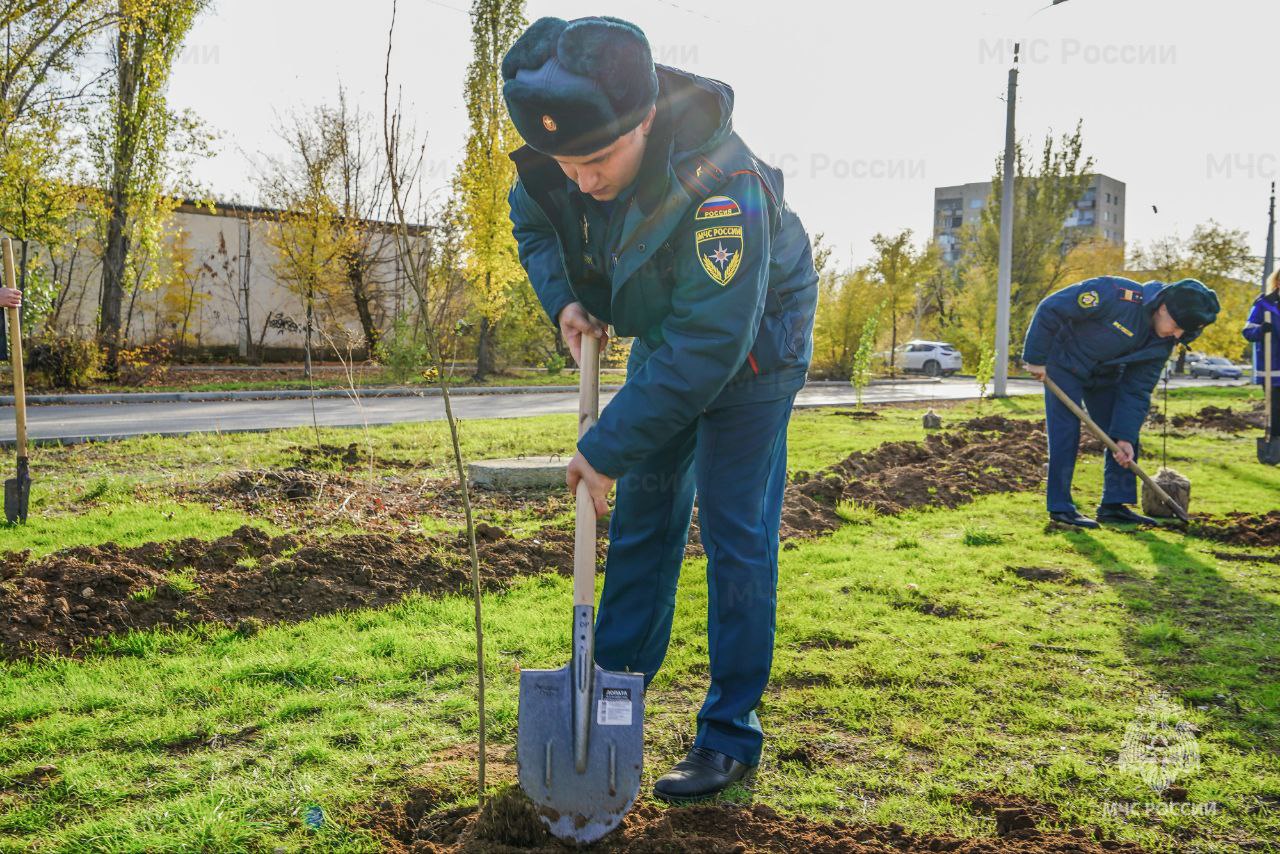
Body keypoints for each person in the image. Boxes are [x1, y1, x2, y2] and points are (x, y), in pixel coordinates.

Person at [502, 15, 818, 801]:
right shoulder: (559, 162)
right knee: (644, 519)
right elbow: (537, 226)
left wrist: (605, 445)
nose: (581, 179)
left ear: (643, 119)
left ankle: (728, 735)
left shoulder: (723, 184)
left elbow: (710, 342)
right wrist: (567, 299)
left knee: (734, 528)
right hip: (672, 341)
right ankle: (610, 701)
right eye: (565, 162)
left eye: (597, 160)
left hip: (752, 345)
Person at [1022, 276, 1219, 528]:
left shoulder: (1163, 343)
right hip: (1064, 365)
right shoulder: (1114, 295)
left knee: (1124, 434)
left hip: (1104, 375)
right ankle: (1061, 508)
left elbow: (1137, 390)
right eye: (1177, 326)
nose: (1178, 334)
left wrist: (1124, 437)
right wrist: (1035, 357)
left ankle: (1114, 505)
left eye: (1185, 332)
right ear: (1163, 308)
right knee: (1066, 433)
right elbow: (1051, 308)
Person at [1243, 269, 1280, 440]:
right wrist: (1261, 329)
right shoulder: (1263, 304)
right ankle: (1273, 443)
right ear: (1278, 282)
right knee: (1274, 410)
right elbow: (1248, 332)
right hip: (1271, 368)